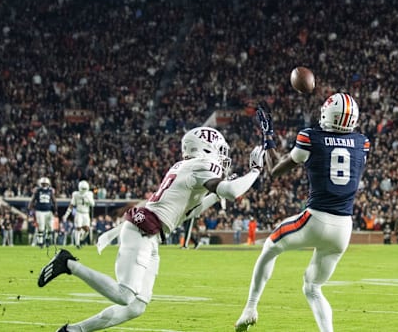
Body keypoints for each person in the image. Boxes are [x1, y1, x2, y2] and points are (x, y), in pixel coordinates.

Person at [38, 126, 266, 332]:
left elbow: (190, 211)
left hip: (151, 233)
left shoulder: (188, 167)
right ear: (206, 149)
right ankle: (68, 263)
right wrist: (254, 171)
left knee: (136, 307)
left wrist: (216, 195)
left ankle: (73, 331)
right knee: (124, 295)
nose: (223, 156)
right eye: (219, 149)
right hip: (143, 229)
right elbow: (231, 191)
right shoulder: (200, 165)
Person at [235, 94, 370, 332]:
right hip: (343, 229)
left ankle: (250, 308)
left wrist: (268, 138)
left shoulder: (311, 136)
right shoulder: (362, 142)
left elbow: (276, 171)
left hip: (315, 219)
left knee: (270, 247)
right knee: (313, 287)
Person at [63, 180, 96, 248]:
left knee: (87, 229)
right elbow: (71, 205)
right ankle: (77, 244)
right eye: (82, 188)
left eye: (85, 189)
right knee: (78, 228)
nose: (83, 190)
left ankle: (81, 239)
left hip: (86, 213)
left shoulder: (89, 194)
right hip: (79, 213)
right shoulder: (76, 194)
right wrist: (66, 215)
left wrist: (88, 199)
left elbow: (93, 204)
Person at [28, 177, 57, 248]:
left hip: (49, 211)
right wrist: (30, 207)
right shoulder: (37, 191)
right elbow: (33, 199)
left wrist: (55, 210)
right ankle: (40, 242)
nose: (44, 185)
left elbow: (54, 201)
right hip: (39, 211)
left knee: (50, 227)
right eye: (43, 184)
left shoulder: (50, 191)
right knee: (41, 227)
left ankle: (47, 240)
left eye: (45, 184)